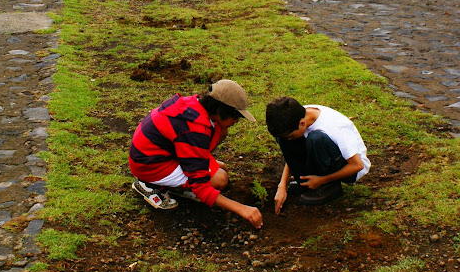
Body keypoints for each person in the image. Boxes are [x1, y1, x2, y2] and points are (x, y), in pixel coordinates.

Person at [129, 79, 263, 229]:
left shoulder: (195, 106)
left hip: (164, 153)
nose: (236, 121)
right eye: (234, 116)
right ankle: (148, 185)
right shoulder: (195, 129)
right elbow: (201, 188)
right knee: (219, 180)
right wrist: (243, 209)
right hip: (148, 165)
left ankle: (178, 182)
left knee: (221, 167)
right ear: (220, 110)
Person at [266, 97, 370, 212]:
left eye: (291, 136)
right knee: (283, 139)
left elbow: (357, 165)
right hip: (319, 156)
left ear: (302, 123)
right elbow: (290, 154)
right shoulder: (294, 116)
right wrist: (282, 186)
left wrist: (322, 180)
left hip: (349, 169)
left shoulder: (334, 127)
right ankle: (306, 182)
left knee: (316, 138)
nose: (290, 140)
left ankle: (329, 187)